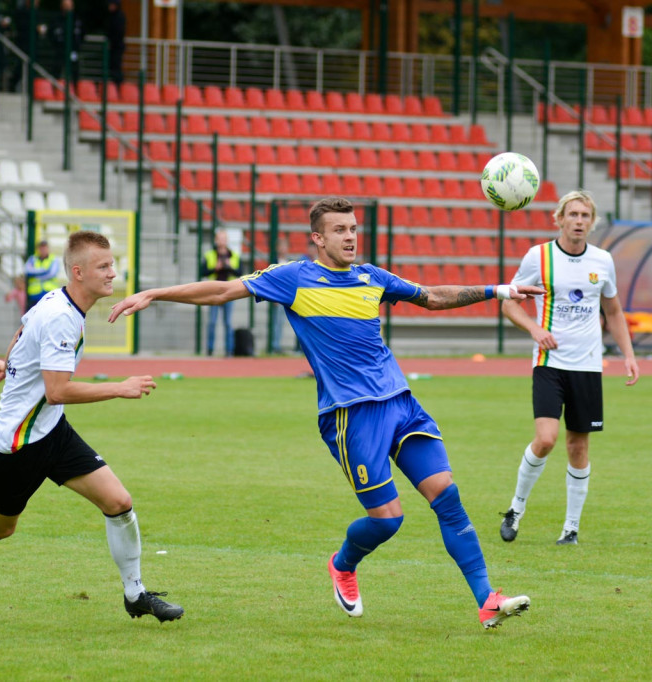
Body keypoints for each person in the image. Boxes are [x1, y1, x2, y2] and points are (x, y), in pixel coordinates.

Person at [108, 196, 540, 629]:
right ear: (317, 238)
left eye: (353, 228)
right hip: (350, 416)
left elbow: (430, 297)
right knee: (388, 521)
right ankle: (343, 564)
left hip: (401, 404)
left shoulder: (372, 277)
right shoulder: (293, 277)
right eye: (339, 230)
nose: (350, 236)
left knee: (448, 498)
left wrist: (499, 290)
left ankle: (486, 599)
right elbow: (223, 289)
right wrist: (155, 293)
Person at [0, 231, 183, 622]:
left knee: (118, 503)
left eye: (112, 264)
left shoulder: (59, 301)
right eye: (104, 266)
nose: (113, 273)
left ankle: (135, 592)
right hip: (16, 445)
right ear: (78, 272)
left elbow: (23, 328)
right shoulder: (61, 315)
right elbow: (57, 391)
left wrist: (10, 361)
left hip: (51, 431)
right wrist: (121, 388)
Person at [498, 190, 639, 547]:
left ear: (592, 223)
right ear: (558, 219)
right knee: (546, 440)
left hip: (588, 366)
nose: (578, 221)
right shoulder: (539, 257)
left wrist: (629, 355)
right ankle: (515, 508)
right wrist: (535, 329)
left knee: (578, 447)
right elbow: (509, 303)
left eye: (585, 216)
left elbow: (614, 311)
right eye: (572, 214)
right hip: (549, 364)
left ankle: (571, 529)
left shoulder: (602, 260)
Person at [201, 230, 241, 356]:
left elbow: (239, 273)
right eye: (220, 238)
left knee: (228, 323)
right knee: (212, 322)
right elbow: (203, 272)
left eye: (224, 239)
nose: (222, 241)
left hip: (229, 292)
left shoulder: (234, 255)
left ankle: (229, 351)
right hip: (214, 292)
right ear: (216, 240)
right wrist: (215, 268)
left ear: (227, 240)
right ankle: (210, 350)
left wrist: (229, 267)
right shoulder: (209, 255)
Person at [25, 239, 62, 310]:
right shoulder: (32, 259)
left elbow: (52, 273)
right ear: (38, 249)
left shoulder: (53, 259)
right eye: (41, 248)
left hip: (49, 293)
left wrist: (36, 275)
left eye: (45, 247)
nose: (43, 250)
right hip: (34, 294)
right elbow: (27, 271)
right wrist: (44, 270)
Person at [51, 0, 84, 82]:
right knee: (57, 68)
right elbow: (51, 33)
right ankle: (55, 88)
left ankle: (75, 88)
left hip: (73, 50)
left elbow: (82, 33)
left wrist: (78, 44)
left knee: (74, 68)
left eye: (69, 5)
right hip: (60, 49)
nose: (67, 7)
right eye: (65, 5)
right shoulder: (57, 19)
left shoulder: (77, 19)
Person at [106, 0, 125, 86]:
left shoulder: (119, 17)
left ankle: (118, 84)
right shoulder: (111, 16)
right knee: (112, 66)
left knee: (116, 66)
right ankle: (114, 83)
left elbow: (118, 32)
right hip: (113, 45)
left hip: (116, 46)